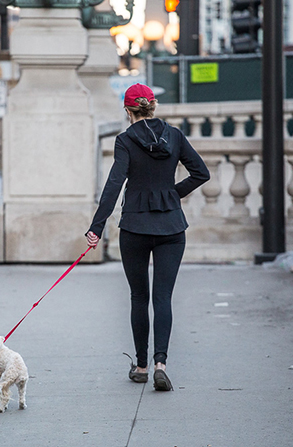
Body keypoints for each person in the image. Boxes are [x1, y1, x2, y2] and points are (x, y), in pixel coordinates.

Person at [85, 83, 210, 391]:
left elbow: (114, 185)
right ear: (153, 106)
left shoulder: (125, 140)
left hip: (135, 228)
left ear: (128, 111)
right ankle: (160, 364)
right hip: (171, 228)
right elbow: (201, 173)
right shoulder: (175, 136)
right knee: (163, 297)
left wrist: (96, 228)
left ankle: (141, 366)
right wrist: (171, 194)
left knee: (139, 297)